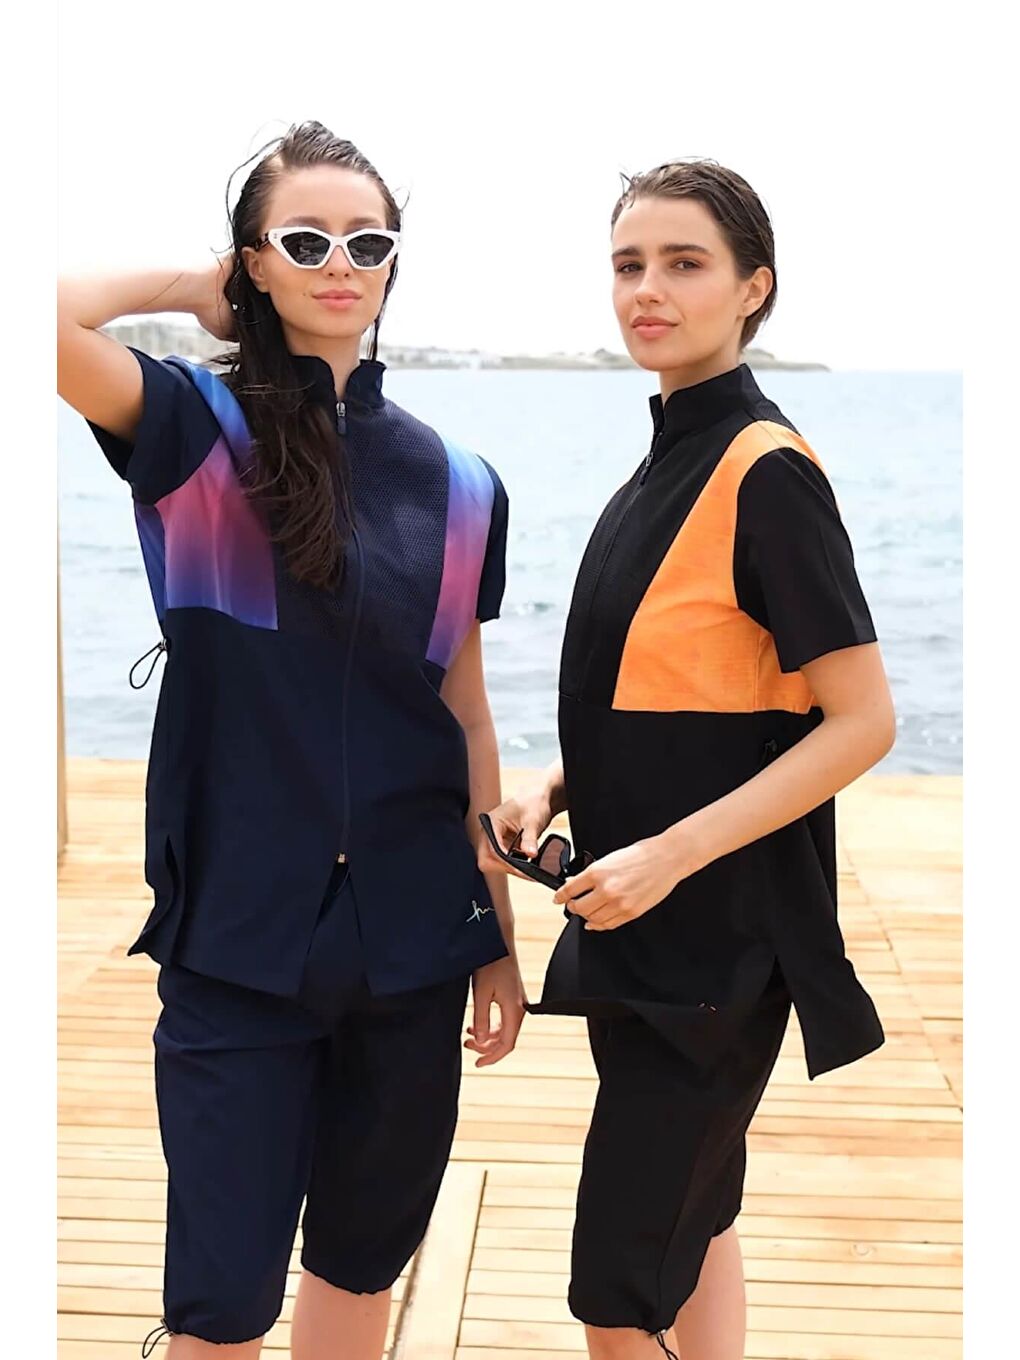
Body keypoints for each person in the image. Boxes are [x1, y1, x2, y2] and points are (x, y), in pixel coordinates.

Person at [57, 120, 526, 1359]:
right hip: (236, 939)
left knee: (361, 1268)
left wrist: (495, 931)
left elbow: (466, 716)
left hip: (414, 943)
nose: (340, 263)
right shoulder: (192, 432)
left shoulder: (463, 482)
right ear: (254, 262)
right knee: (220, 1302)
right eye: (304, 240)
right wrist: (186, 287)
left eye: (368, 241)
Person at [480, 159, 895, 1360]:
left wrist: (668, 852)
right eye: (629, 265)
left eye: (684, 263)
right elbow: (684, 689)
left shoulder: (766, 471)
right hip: (644, 929)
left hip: (719, 943)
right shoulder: (665, 463)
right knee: (697, 1221)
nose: (647, 290)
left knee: (616, 1290)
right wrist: (555, 785)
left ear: (753, 287)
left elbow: (862, 720)